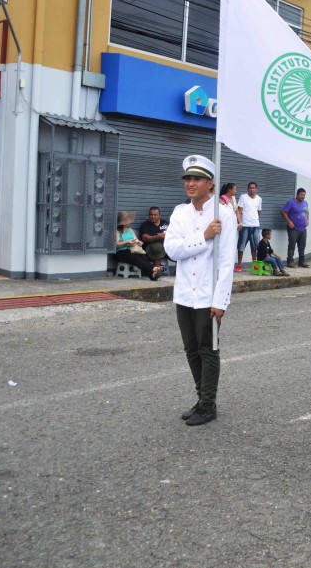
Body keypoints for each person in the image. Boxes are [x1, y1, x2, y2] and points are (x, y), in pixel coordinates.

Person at [164, 155, 238, 426]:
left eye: (197, 179)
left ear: (210, 183)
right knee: (191, 349)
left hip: (208, 294)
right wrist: (203, 237)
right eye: (187, 178)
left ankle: (208, 405)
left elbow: (227, 262)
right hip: (184, 293)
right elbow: (172, 251)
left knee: (208, 349)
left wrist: (221, 302)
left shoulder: (224, 215)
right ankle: (202, 398)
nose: (190, 183)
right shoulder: (179, 213)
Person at [115, 211, 162, 280]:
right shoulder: (117, 231)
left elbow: (136, 239)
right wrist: (126, 242)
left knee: (143, 257)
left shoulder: (130, 230)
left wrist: (139, 242)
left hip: (133, 249)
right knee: (136, 259)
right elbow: (117, 244)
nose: (129, 222)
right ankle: (153, 268)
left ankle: (152, 275)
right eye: (127, 221)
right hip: (121, 252)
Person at [236, 182, 262, 272]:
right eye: (250, 188)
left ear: (256, 189)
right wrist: (240, 222)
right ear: (248, 189)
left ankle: (255, 265)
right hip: (245, 225)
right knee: (241, 246)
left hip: (255, 225)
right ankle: (239, 265)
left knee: (255, 247)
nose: (252, 189)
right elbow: (239, 210)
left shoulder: (259, 199)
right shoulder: (243, 197)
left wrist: (256, 219)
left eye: (253, 188)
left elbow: (259, 211)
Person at [281, 188, 310, 268]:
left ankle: (302, 262)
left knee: (302, 246)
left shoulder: (305, 203)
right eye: (301, 195)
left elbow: (307, 211)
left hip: (303, 228)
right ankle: (290, 262)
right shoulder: (291, 202)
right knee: (292, 245)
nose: (302, 196)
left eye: (304, 195)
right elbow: (283, 212)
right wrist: (289, 221)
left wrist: (307, 220)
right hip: (293, 228)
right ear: (297, 194)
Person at [139, 207, 169, 271]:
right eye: (151, 214)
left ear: (159, 215)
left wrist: (167, 235)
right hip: (150, 247)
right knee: (157, 247)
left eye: (155, 215)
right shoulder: (145, 224)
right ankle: (157, 270)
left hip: (166, 246)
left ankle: (179, 271)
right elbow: (145, 238)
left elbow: (173, 233)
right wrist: (157, 237)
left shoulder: (165, 223)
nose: (153, 216)